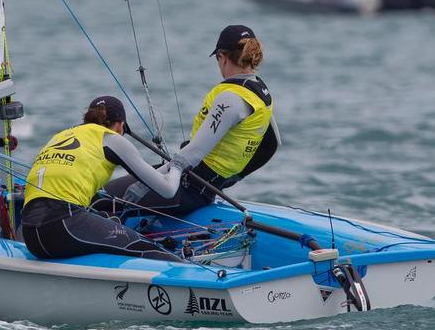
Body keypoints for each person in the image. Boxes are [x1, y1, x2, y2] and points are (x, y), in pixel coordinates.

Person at [104, 25, 279, 218]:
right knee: (104, 191)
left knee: (103, 202)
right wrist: (235, 175)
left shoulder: (230, 98)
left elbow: (193, 153)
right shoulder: (260, 92)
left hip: (188, 191)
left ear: (223, 57)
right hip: (190, 180)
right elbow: (272, 143)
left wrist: (142, 186)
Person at [21, 96, 185, 262]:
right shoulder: (110, 138)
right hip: (61, 227)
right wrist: (178, 165)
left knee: (107, 218)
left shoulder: (60, 136)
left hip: (30, 234)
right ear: (121, 124)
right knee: (145, 246)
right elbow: (168, 189)